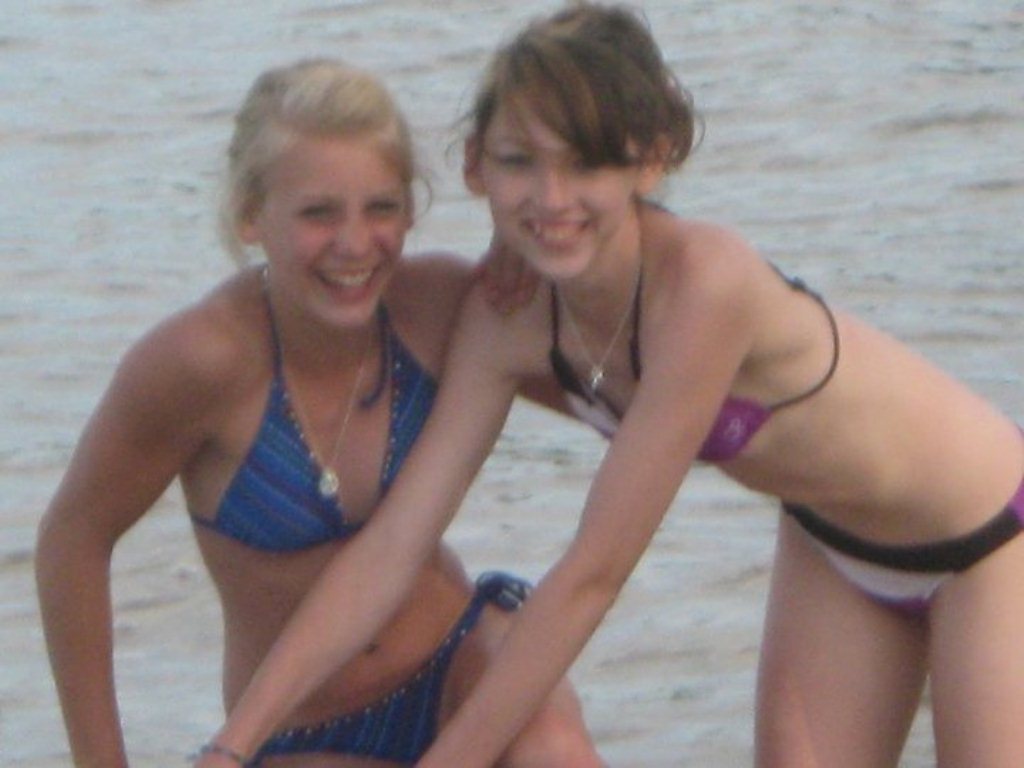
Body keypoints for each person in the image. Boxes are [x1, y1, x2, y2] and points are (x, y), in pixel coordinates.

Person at [194, 5, 1024, 768]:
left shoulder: (705, 285)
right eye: (520, 162)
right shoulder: (510, 315)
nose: (552, 200)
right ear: (476, 166)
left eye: (586, 162)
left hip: (986, 538)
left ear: (650, 160)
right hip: (832, 541)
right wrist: (233, 747)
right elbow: (394, 546)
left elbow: (592, 574)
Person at [34, 58, 604, 768]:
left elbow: (616, 391)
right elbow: (73, 542)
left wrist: (533, 249)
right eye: (318, 213)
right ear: (251, 215)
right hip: (301, 729)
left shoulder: (440, 308)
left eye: (381, 208)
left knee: (554, 749)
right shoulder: (201, 362)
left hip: (460, 662)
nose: (355, 244)